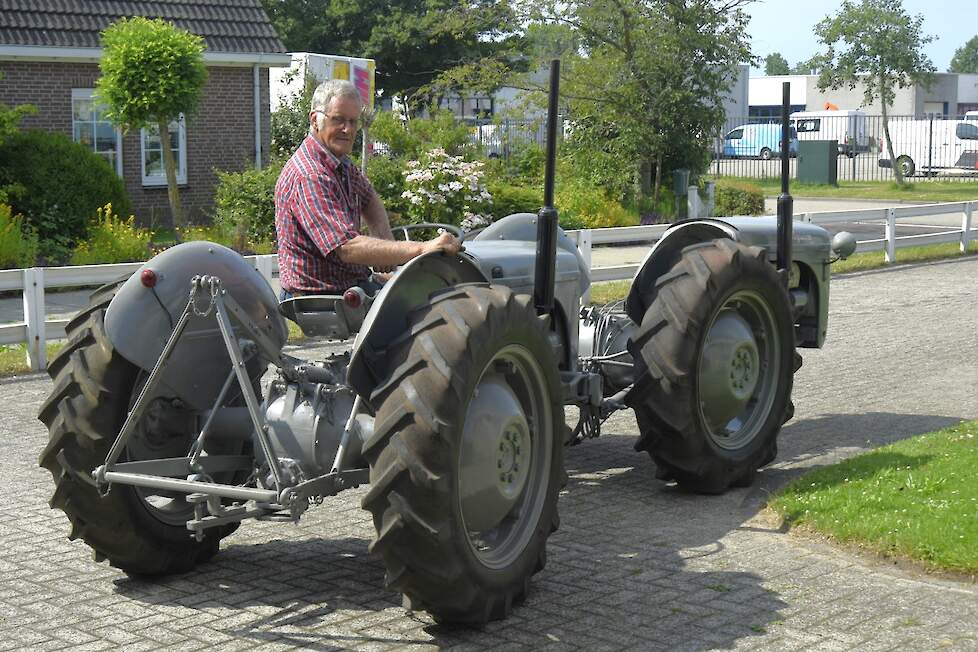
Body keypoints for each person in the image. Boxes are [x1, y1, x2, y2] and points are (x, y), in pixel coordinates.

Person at [275, 79, 460, 298]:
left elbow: (368, 197)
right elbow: (346, 247)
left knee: (433, 296)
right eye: (339, 120)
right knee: (427, 309)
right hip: (322, 298)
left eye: (353, 122)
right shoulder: (310, 176)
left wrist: (383, 238)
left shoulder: (338, 162)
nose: (347, 129)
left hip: (350, 284)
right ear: (315, 120)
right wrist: (422, 248)